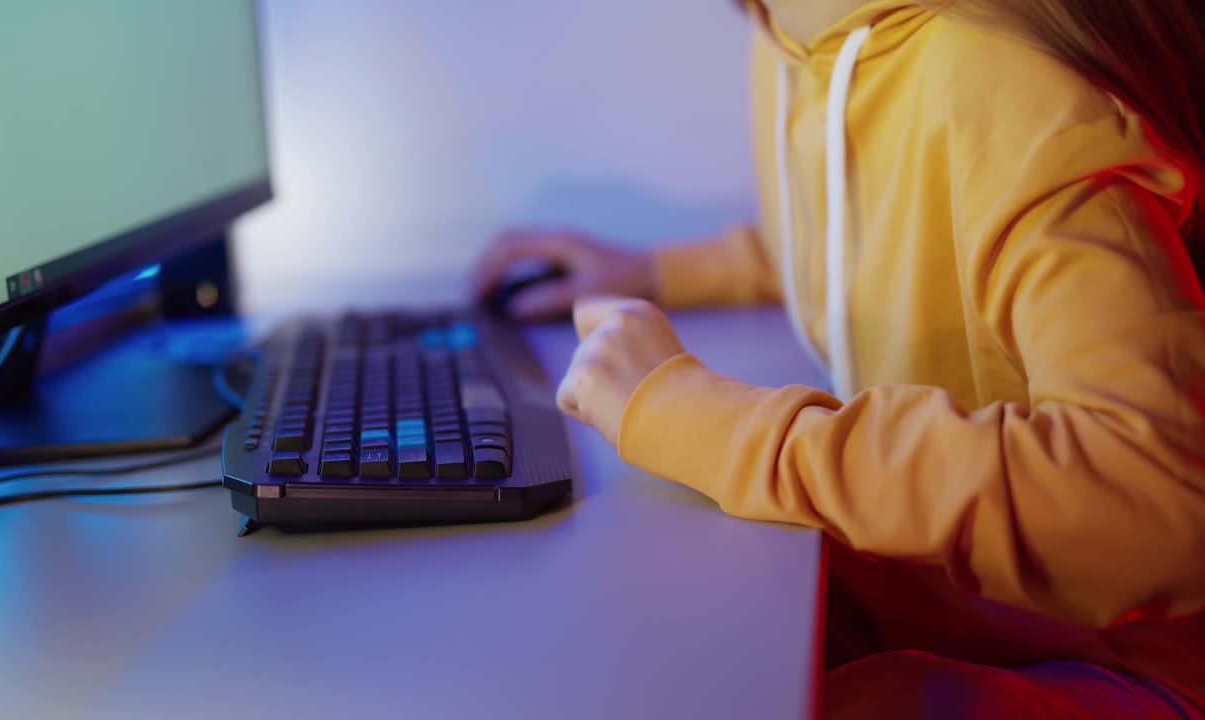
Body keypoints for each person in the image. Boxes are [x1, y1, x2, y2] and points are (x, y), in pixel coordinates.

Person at [474, 0, 1205, 717]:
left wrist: (705, 422)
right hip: (983, 606)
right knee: (649, 620)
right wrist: (662, 273)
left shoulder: (1003, 80)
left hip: (1140, 663)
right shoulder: (798, 35)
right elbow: (876, 239)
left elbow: (1157, 505)